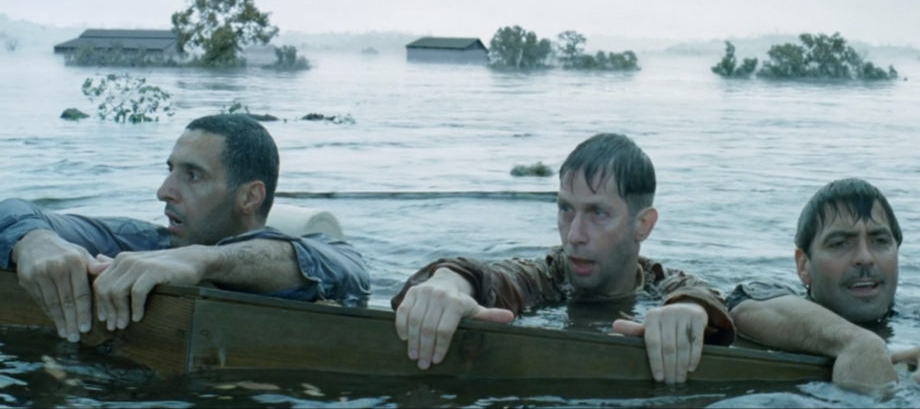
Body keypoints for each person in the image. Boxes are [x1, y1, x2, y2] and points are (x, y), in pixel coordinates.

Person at [391, 133, 735, 384]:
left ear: (642, 224)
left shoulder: (662, 286)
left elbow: (698, 294)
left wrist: (692, 313)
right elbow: (495, 276)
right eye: (566, 209)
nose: (574, 235)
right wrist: (449, 282)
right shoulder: (547, 278)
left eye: (598, 213)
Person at [1, 114, 371, 343]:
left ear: (250, 197)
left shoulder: (320, 252)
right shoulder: (148, 244)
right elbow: (17, 211)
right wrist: (34, 241)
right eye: (170, 170)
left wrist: (202, 261)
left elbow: (345, 269)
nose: (164, 191)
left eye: (193, 176)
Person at [727, 178, 920, 400]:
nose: (865, 258)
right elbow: (745, 304)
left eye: (880, 241)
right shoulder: (775, 296)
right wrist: (856, 342)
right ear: (804, 265)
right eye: (840, 243)